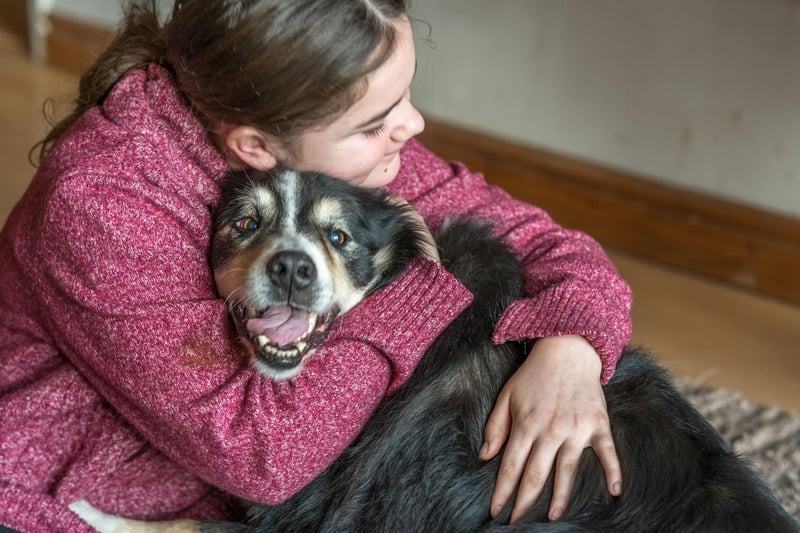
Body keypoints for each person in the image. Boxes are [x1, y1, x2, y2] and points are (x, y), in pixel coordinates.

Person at [0, 1, 632, 531]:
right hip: (62, 489)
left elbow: (540, 238)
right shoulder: (101, 205)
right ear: (257, 147)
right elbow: (264, 457)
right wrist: (411, 297)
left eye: (404, 97)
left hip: (224, 483)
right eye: (376, 122)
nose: (412, 125)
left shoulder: (310, 140)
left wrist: (573, 348)